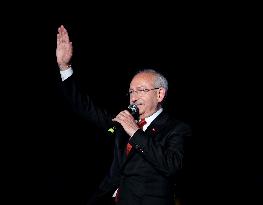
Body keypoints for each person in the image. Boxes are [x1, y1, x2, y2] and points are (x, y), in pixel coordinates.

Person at [56, 25, 192, 205]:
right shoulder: (122, 122)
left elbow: (172, 166)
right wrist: (64, 66)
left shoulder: (176, 129)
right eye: (131, 92)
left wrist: (135, 132)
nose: (134, 97)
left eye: (141, 90)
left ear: (160, 94)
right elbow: (86, 108)